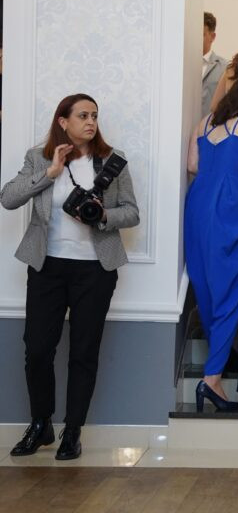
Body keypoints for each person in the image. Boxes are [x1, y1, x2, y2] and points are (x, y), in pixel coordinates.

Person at [2, 94, 139, 461]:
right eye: (82, 115)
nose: (91, 121)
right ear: (63, 121)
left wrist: (103, 216)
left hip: (94, 269)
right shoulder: (39, 157)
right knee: (37, 349)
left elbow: (131, 212)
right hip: (46, 266)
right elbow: (8, 198)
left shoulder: (112, 160)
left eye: (94, 115)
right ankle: (40, 424)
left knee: (83, 351)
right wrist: (50, 173)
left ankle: (73, 430)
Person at [186, 73, 238, 411]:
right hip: (230, 201)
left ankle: (219, 364)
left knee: (206, 284)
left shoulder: (205, 121)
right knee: (233, 287)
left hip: (198, 202)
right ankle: (212, 378)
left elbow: (192, 165)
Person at [202, 12, 228, 121]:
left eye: (201, 34)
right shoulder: (179, 67)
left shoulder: (225, 68)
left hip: (210, 127)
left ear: (212, 37)